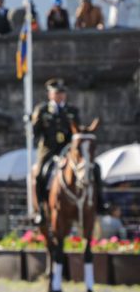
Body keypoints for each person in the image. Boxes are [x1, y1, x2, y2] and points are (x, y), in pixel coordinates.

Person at [31, 79, 106, 225]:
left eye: (62, 93)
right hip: (49, 150)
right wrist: (32, 122)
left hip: (68, 149)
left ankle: (100, 204)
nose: (60, 96)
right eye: (57, 93)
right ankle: (40, 210)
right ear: (50, 95)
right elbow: (36, 133)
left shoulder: (72, 111)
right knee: (40, 174)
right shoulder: (42, 110)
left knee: (95, 168)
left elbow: (76, 131)